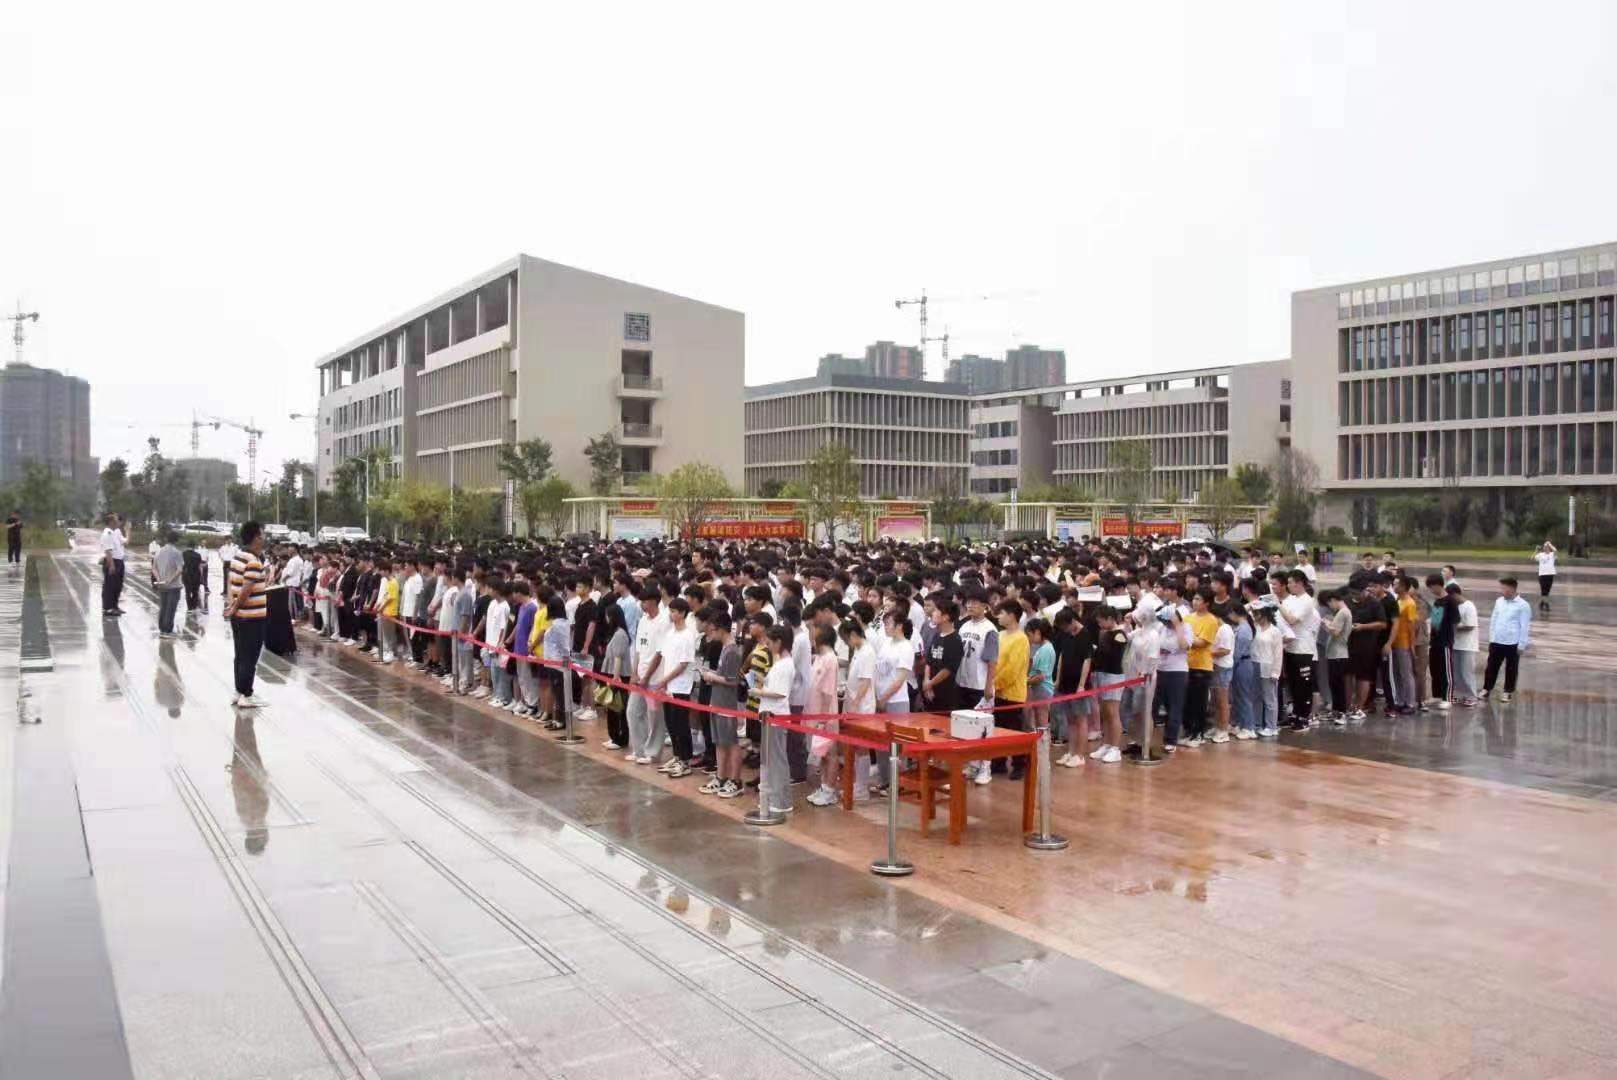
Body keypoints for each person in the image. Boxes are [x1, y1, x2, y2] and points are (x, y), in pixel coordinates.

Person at [698, 610, 747, 799]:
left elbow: (732, 680)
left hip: (727, 704)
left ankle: (735, 780)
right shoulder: (725, 649)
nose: (711, 633)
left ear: (721, 629)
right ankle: (721, 776)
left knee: (731, 742)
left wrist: (712, 677)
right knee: (719, 741)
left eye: (713, 629)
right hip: (717, 701)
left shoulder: (732, 651)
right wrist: (712, 675)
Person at [224, 521, 269, 708]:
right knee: (250, 657)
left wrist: (231, 605)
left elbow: (230, 583)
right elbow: (246, 590)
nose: (264, 538)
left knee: (240, 655)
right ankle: (247, 695)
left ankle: (238, 691)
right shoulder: (253, 562)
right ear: (256, 538)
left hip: (239, 616)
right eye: (262, 534)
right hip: (251, 617)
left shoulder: (238, 556)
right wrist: (234, 607)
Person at [1482, 577, 1532, 703]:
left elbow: (1525, 626)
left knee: (1511, 668)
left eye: (1504, 588)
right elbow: (1494, 620)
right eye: (1501, 588)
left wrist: (1522, 645)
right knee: (1491, 667)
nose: (1501, 591)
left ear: (1512, 588)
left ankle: (1507, 691)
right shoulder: (1499, 601)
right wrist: (1492, 638)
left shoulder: (1523, 605)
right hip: (1497, 641)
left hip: (1512, 642)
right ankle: (1486, 689)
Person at [1251, 604, 1283, 738]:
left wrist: (1276, 672)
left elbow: (1278, 653)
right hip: (1255, 664)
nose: (1254, 616)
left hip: (1268, 666)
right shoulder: (1255, 628)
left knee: (1270, 698)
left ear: (1264, 615)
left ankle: (1271, 726)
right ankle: (1256, 724)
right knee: (1256, 697)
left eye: (1257, 614)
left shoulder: (1275, 631)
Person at [1449, 583, 1480, 707]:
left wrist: (1454, 627)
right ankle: (1459, 694)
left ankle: (1472, 696)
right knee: (1456, 672)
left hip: (1467, 645)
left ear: (1455, 594)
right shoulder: (1455, 606)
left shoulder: (1469, 606)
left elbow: (1470, 626)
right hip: (1455, 644)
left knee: (1467, 672)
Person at [152, 530, 184, 637]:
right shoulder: (177, 553)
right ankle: (167, 631)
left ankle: (162, 629)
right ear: (176, 540)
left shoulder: (159, 551)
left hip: (162, 584)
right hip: (173, 586)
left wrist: (159, 579)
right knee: (171, 609)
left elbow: (154, 568)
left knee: (163, 607)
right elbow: (179, 569)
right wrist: (170, 580)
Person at [99, 512, 127, 617]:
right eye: (116, 521)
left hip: (118, 561)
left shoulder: (113, 532)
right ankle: (108, 608)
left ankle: (115, 606)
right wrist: (111, 565)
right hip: (112, 561)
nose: (118, 522)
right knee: (110, 586)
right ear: (111, 522)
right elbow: (108, 551)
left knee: (117, 585)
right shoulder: (108, 534)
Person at [182, 537, 206, 612]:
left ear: (187, 546)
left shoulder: (184, 554)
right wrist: (201, 577)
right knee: (195, 592)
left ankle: (189, 608)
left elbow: (182, 565)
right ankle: (194, 606)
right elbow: (200, 567)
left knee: (187, 592)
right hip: (196, 576)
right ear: (194, 546)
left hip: (186, 575)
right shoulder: (198, 555)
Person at [1534, 541, 1557, 610]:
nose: (1546, 548)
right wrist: (1536, 550)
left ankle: (1542, 603)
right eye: (1545, 547)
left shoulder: (1552, 555)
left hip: (1550, 574)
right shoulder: (1540, 554)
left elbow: (1555, 550)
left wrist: (1549, 544)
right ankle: (1546, 604)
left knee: (1547, 590)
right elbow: (1532, 558)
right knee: (1543, 590)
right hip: (1542, 575)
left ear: (1549, 548)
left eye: (1547, 547)